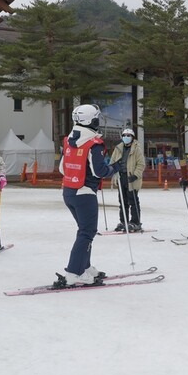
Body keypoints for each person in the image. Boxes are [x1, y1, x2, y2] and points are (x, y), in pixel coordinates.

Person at [58, 104, 116, 286]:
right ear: (91, 120)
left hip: (69, 191)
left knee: (84, 230)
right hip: (84, 193)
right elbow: (99, 171)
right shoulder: (93, 144)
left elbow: (62, 168)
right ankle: (74, 273)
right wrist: (114, 168)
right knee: (87, 232)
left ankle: (85, 266)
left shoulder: (70, 140)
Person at [110, 128, 145, 232]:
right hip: (121, 177)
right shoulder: (118, 148)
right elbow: (112, 161)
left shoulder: (137, 149)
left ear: (132, 137)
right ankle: (123, 221)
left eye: (128, 135)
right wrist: (112, 170)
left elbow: (141, 164)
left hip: (132, 178)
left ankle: (135, 222)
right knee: (122, 201)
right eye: (124, 135)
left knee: (133, 201)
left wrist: (135, 175)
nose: (126, 137)